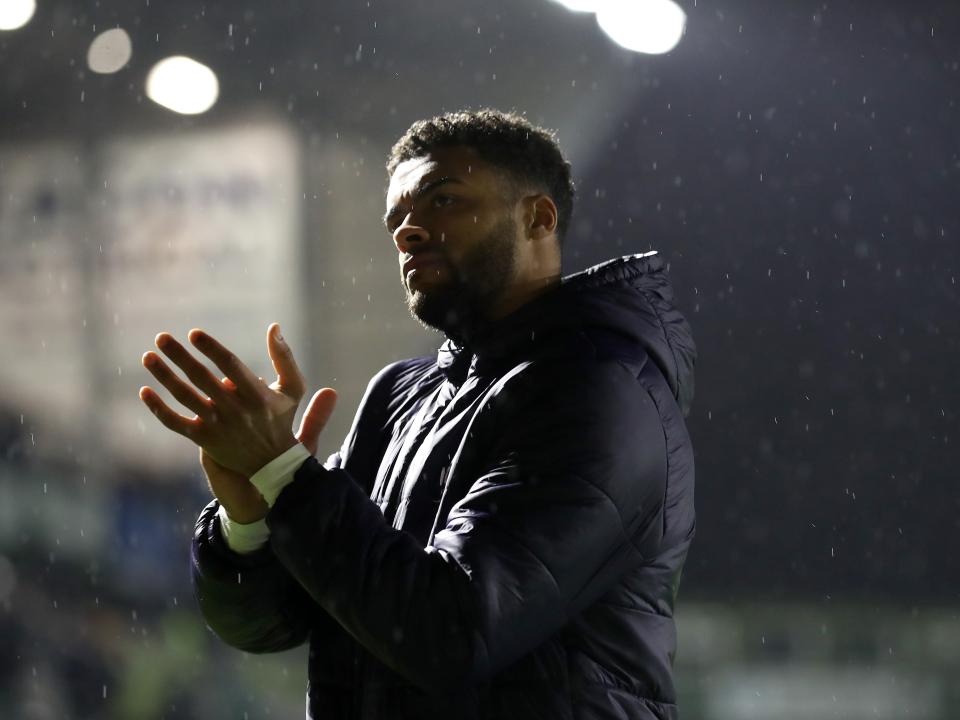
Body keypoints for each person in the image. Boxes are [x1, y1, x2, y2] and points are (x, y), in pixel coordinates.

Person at [139, 109, 697, 720]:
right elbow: (272, 624)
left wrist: (284, 473)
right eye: (396, 220)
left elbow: (453, 630)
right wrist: (249, 518)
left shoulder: (599, 389)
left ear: (538, 217)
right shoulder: (399, 394)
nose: (408, 232)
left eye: (444, 201)